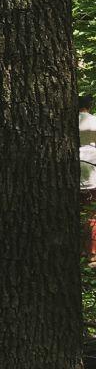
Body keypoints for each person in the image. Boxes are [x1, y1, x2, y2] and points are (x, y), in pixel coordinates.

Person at [78, 94, 96, 261]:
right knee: (92, 213)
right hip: (93, 168)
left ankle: (82, 251)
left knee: (79, 212)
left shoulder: (69, 121)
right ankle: (91, 252)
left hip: (76, 166)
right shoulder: (94, 121)